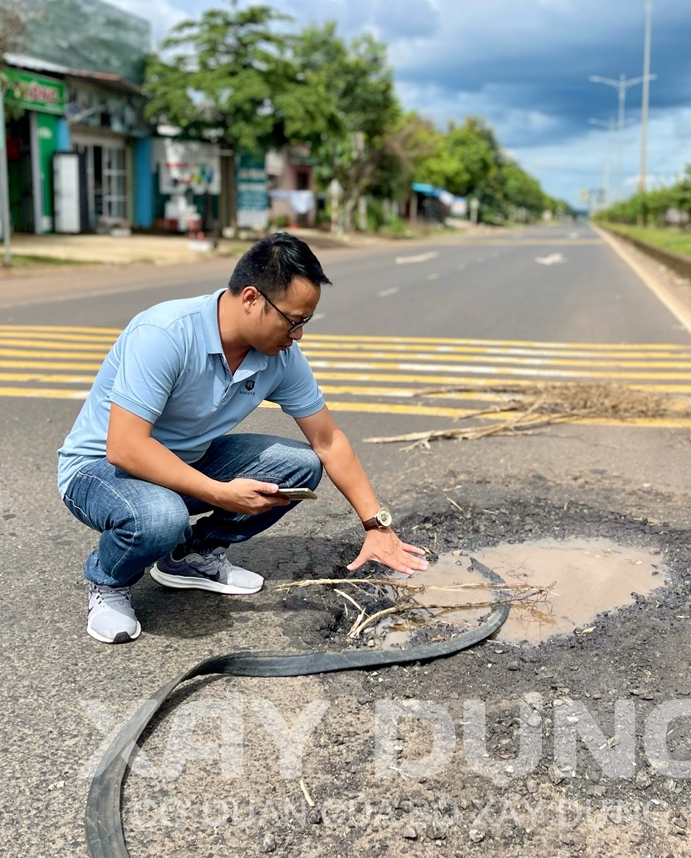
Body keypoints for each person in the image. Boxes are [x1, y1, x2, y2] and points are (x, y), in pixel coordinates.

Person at [57, 233, 429, 644]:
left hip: (185, 463)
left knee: (300, 466)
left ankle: (189, 556)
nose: (299, 334)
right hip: (99, 471)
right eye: (294, 320)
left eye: (305, 321)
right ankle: (109, 583)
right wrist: (219, 493)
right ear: (251, 298)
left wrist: (375, 525)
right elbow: (125, 448)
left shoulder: (279, 356)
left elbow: (329, 441)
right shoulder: (166, 333)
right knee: (161, 517)